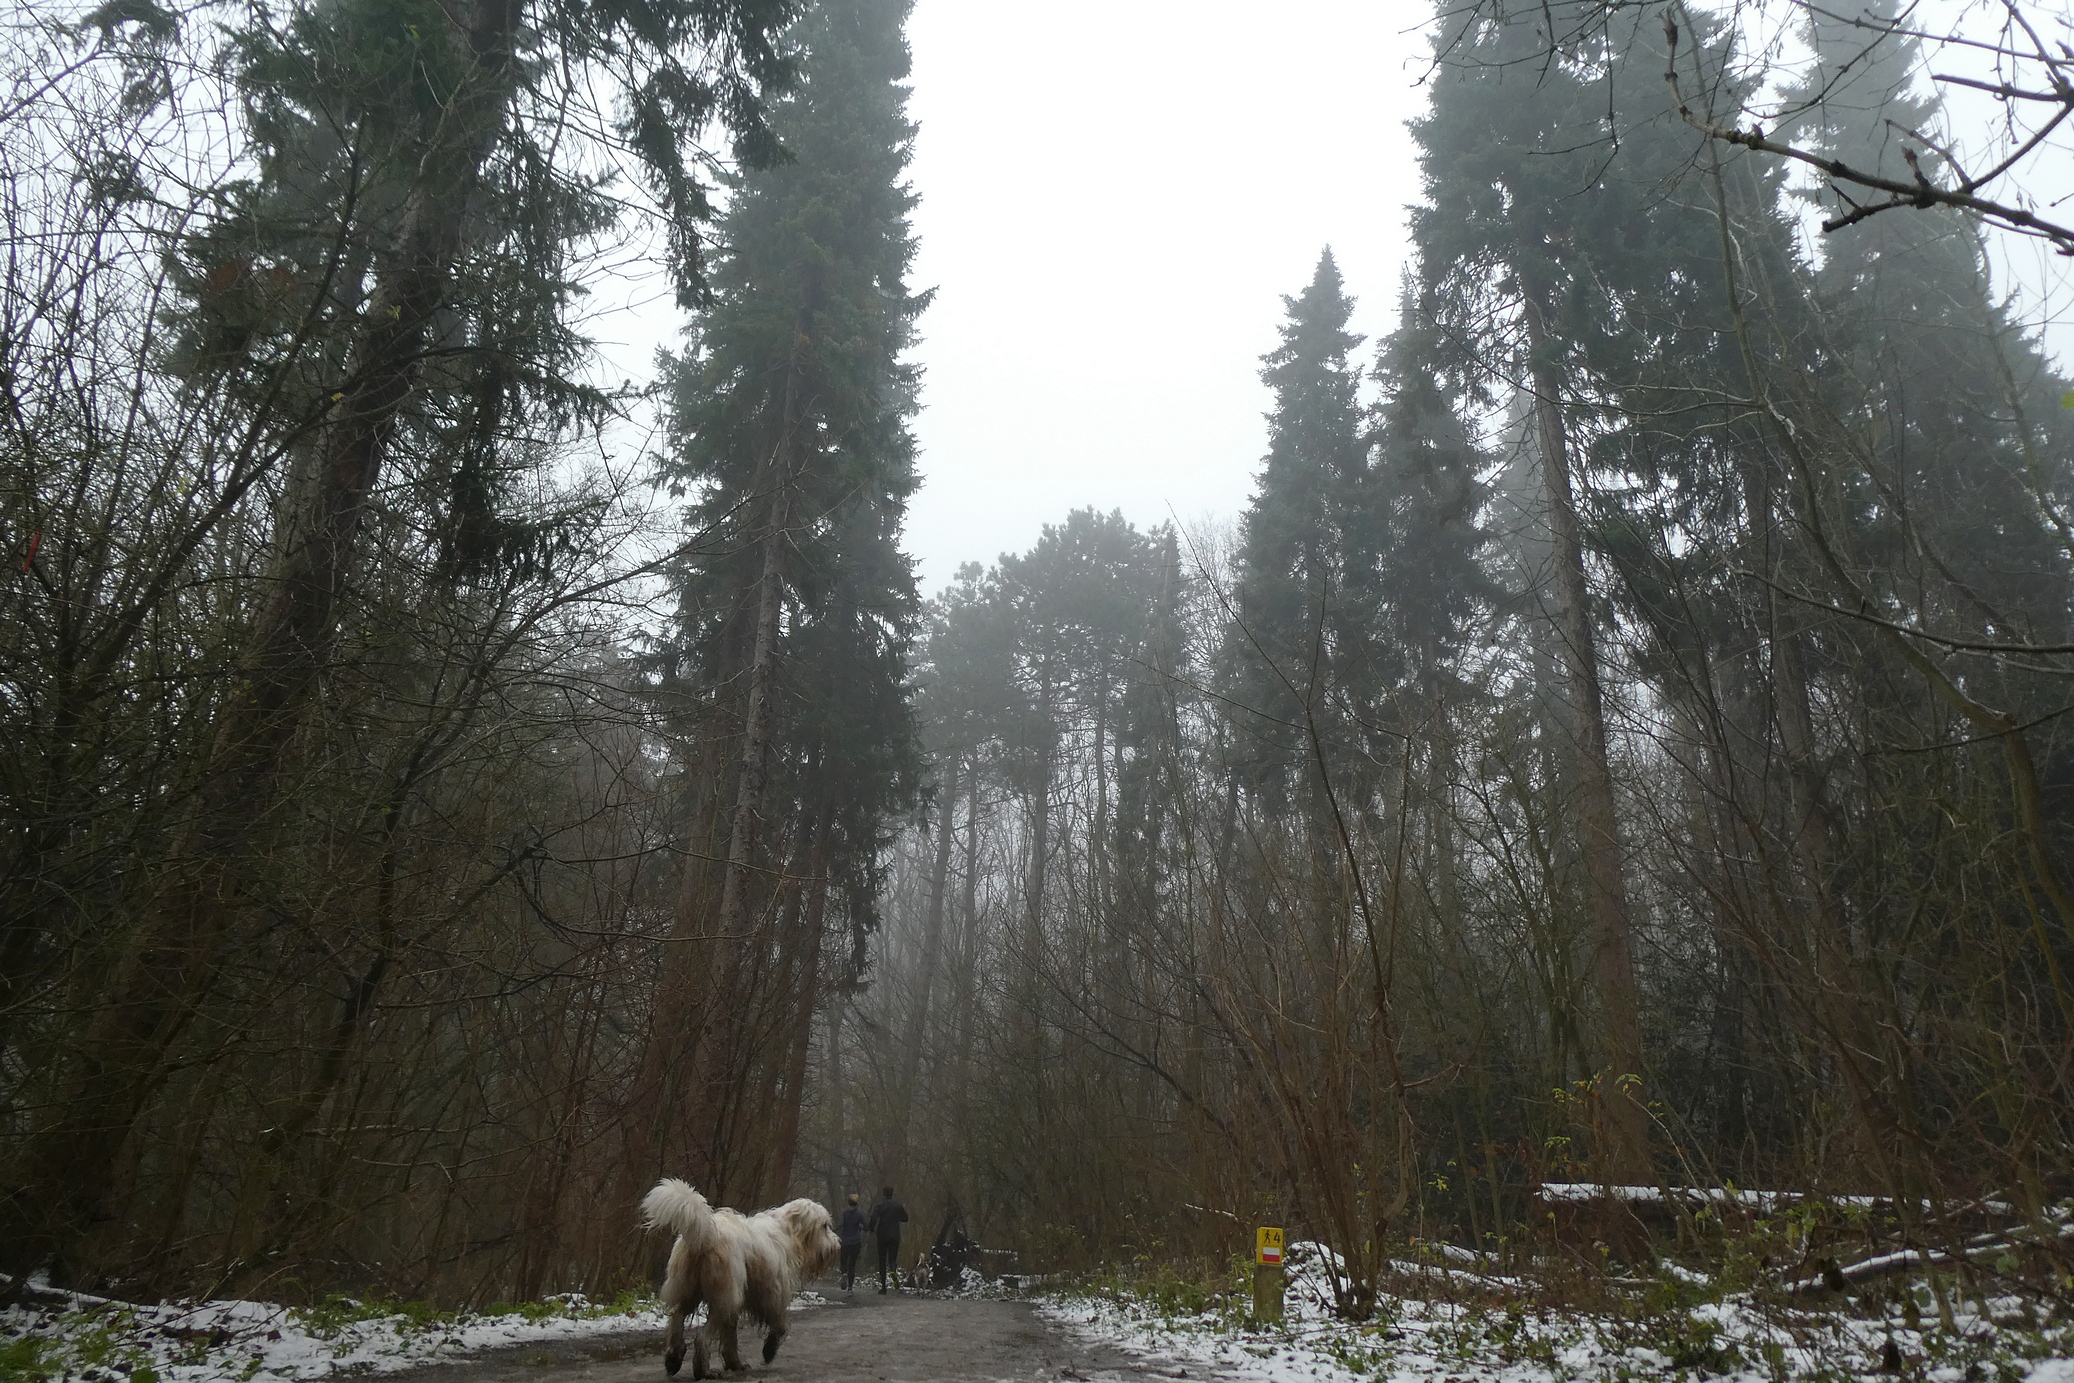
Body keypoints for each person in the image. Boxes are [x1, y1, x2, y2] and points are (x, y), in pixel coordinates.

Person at [863, 1184, 907, 1293]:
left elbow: (873, 1219)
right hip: (895, 1235)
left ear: (883, 1194)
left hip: (882, 1236)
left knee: (882, 1260)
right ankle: (892, 1269)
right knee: (892, 1258)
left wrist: (871, 1228)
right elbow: (905, 1218)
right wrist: (897, 1217)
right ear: (892, 1194)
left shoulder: (879, 1206)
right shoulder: (898, 1206)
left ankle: (883, 1287)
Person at [836, 1192, 866, 1294]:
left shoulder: (844, 1213)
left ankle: (844, 1274)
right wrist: (861, 1227)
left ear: (849, 1203)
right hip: (856, 1242)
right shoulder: (859, 1214)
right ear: (857, 1203)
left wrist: (831, 1230)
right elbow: (866, 1227)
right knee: (852, 1265)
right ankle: (850, 1288)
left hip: (845, 1241)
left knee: (843, 1261)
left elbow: (840, 1225)